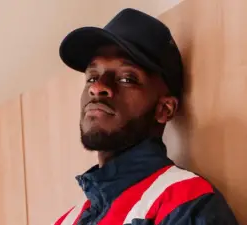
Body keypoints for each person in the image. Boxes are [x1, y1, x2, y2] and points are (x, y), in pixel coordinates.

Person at [54, 8, 238, 225]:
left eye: (126, 78)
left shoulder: (185, 202)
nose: (98, 87)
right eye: (92, 77)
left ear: (164, 109)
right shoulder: (66, 221)